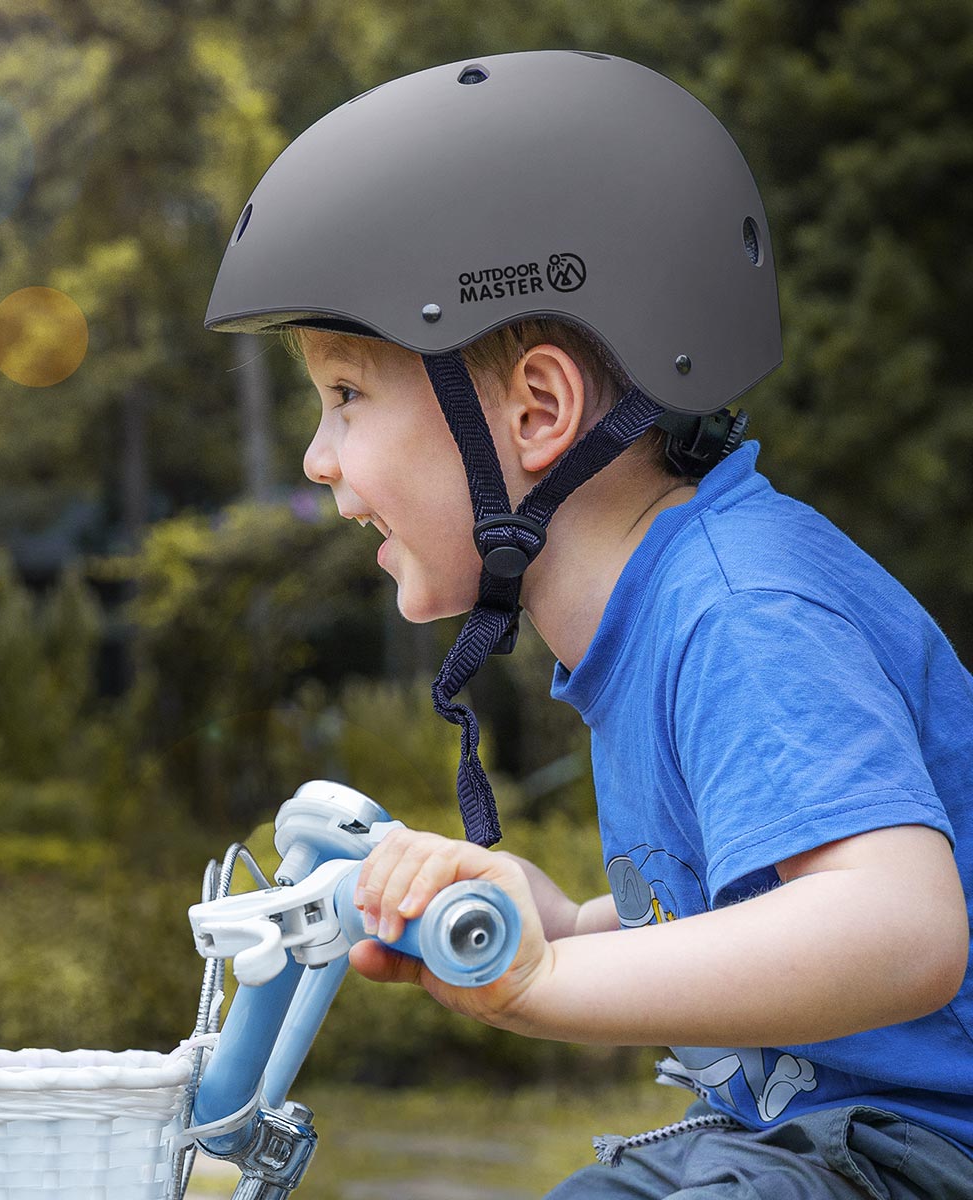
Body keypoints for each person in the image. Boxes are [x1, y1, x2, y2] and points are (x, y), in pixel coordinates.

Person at [204, 51, 973, 1198]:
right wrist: (566, 925)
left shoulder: (739, 608)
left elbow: (903, 928)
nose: (319, 459)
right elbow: (756, 897)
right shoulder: (656, 613)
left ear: (536, 412)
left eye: (348, 396)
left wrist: (531, 986)